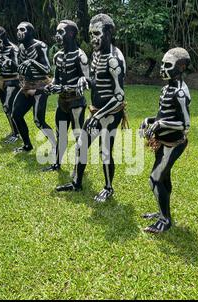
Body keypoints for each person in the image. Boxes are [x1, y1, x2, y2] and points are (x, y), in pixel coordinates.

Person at [56, 14, 127, 203]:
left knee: (105, 151)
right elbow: (97, 81)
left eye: (97, 33)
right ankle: (76, 183)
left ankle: (108, 188)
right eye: (90, 34)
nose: (93, 38)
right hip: (97, 111)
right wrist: (85, 79)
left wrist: (100, 115)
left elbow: (119, 97)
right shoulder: (96, 55)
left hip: (111, 113)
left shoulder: (114, 59)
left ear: (109, 33)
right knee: (81, 145)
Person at [139, 48, 191, 233]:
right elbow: (164, 115)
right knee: (163, 177)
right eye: (162, 64)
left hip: (173, 144)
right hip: (162, 142)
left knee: (155, 178)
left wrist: (160, 124)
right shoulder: (166, 88)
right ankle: (163, 211)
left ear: (181, 67)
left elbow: (185, 125)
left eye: (167, 65)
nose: (162, 68)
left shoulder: (180, 93)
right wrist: (150, 121)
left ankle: (164, 219)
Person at [43, 20, 89, 173]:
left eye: (61, 32)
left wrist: (62, 87)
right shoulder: (57, 56)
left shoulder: (81, 56)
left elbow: (85, 83)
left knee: (78, 136)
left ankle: (79, 169)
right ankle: (57, 163)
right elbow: (57, 78)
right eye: (57, 32)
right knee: (60, 133)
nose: (57, 36)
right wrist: (51, 86)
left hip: (76, 103)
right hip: (62, 102)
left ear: (71, 34)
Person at [11, 22, 55, 153]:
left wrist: (32, 62)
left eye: (22, 29)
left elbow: (47, 69)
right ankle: (27, 145)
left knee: (38, 120)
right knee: (16, 115)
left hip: (41, 87)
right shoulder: (21, 47)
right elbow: (21, 68)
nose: (19, 32)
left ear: (30, 32)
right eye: (17, 29)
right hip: (27, 85)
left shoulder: (40, 46)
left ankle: (55, 145)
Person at [0, 26, 20, 143]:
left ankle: (17, 134)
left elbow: (18, 66)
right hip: (2, 80)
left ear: (4, 36)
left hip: (13, 81)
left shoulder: (13, 49)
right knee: (5, 108)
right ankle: (14, 131)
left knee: (9, 106)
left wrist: (8, 60)